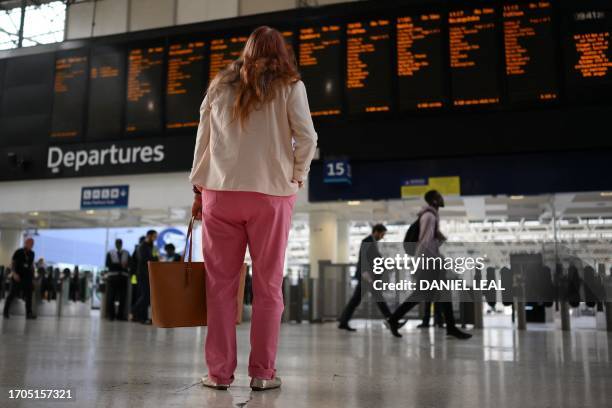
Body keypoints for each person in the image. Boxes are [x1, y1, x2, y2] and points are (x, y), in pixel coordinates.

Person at [190, 26, 317, 391]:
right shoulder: (291, 86)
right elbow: (307, 137)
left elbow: (203, 140)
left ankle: (218, 373)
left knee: (219, 287)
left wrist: (199, 188)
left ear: (246, 50)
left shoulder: (219, 86)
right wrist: (297, 175)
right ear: (282, 52)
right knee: (268, 287)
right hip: (272, 195)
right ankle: (262, 373)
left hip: (221, 192)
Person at [386, 190, 472, 340]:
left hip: (428, 259)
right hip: (428, 261)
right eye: (439, 196)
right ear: (433, 201)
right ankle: (450, 328)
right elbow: (424, 242)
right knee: (436, 292)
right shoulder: (429, 216)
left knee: (425, 294)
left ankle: (393, 320)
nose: (442, 198)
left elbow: (428, 241)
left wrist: (438, 239)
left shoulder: (431, 216)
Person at [337, 224, 393, 332]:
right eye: (382, 234)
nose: (382, 237)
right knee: (376, 299)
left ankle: (343, 322)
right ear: (376, 231)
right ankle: (392, 320)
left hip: (368, 277)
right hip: (367, 277)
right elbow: (364, 259)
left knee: (358, 300)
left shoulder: (371, 242)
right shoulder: (367, 241)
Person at [3, 237, 36, 319]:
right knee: (12, 294)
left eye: (33, 244)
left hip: (27, 277)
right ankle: (5, 312)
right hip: (18, 276)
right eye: (30, 243)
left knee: (29, 296)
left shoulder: (32, 253)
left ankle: (29, 313)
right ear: (26, 243)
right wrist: (14, 273)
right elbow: (13, 263)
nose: (32, 245)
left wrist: (33, 277)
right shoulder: (19, 252)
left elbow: (31, 265)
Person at [131, 230, 158, 324]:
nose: (155, 238)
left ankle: (143, 318)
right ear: (149, 236)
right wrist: (154, 258)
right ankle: (133, 310)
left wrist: (156, 258)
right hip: (142, 274)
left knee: (147, 297)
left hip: (149, 274)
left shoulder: (152, 247)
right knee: (145, 296)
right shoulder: (142, 246)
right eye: (154, 236)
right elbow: (144, 259)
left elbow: (156, 257)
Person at [105, 239, 130, 321]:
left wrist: (123, 266)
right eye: (117, 243)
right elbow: (108, 264)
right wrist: (120, 265)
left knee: (122, 298)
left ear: (122, 244)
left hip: (123, 277)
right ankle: (111, 315)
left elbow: (130, 263)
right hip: (113, 277)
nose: (119, 244)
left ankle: (120, 316)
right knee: (111, 297)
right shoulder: (110, 253)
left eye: (120, 243)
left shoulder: (126, 253)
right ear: (115, 244)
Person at [130, 236, 145, 307]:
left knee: (136, 292)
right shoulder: (139, 250)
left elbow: (132, 264)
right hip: (138, 275)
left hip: (135, 275)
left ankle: (134, 311)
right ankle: (135, 311)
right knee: (138, 293)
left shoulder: (136, 250)